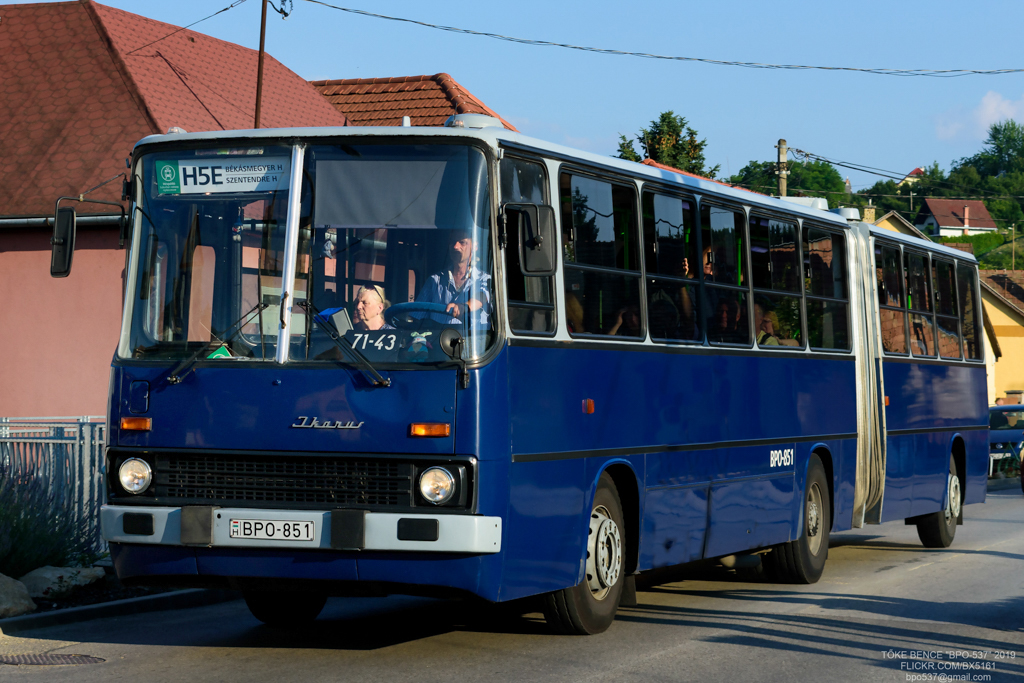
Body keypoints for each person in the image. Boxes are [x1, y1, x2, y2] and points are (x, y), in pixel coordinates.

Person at [416, 229, 492, 326]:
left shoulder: (484, 279)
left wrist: (464, 307)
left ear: (475, 246)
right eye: (452, 242)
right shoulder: (434, 281)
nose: (456, 247)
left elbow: (482, 296)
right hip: (437, 340)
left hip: (472, 340)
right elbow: (417, 318)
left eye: (462, 242)